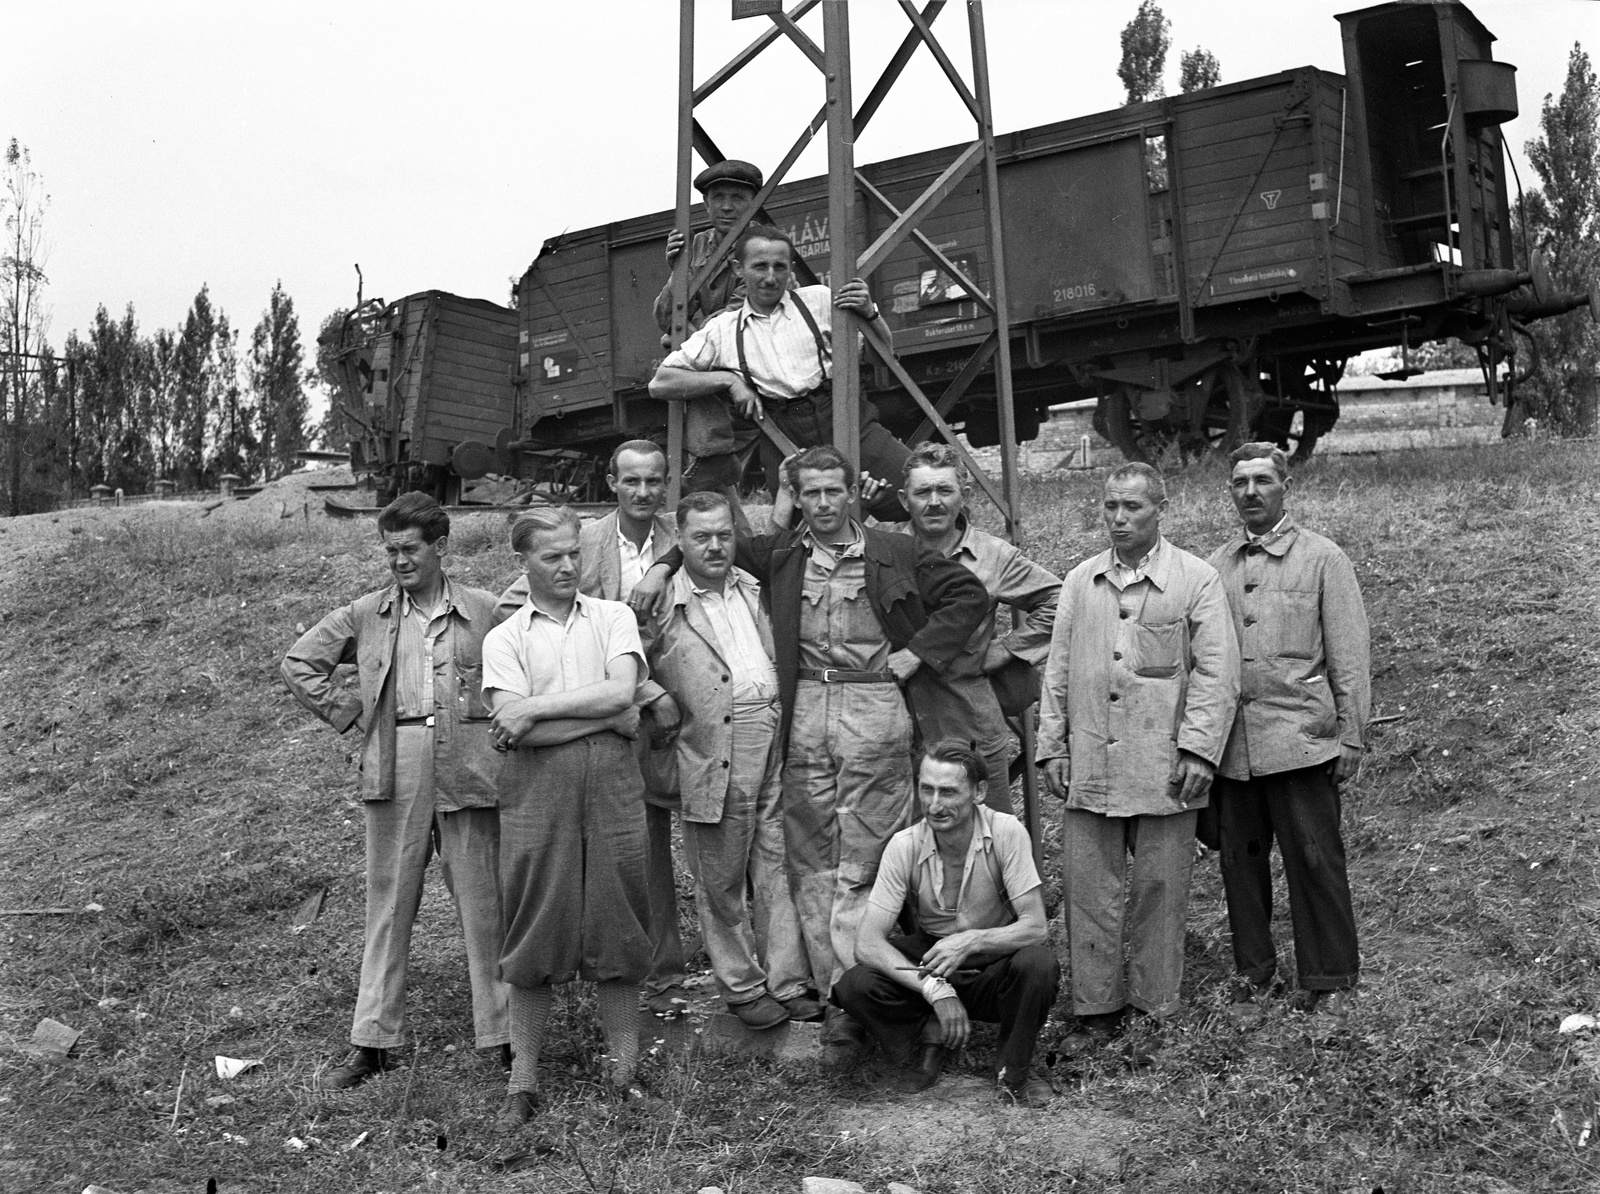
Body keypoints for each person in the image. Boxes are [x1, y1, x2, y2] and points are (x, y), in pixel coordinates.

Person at [629, 445, 989, 1067]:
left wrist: (918, 653)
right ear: (795, 497)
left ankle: (867, 995)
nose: (823, 504)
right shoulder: (782, 555)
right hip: (803, 718)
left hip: (875, 709)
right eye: (810, 493)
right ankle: (836, 996)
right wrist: (660, 568)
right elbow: (703, 542)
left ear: (852, 493)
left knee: (868, 858)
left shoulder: (893, 551)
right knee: (809, 859)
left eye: (834, 492)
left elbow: (968, 597)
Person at [281, 493, 510, 1089]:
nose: (400, 561)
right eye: (390, 551)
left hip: (470, 760)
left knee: (484, 901)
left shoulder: (486, 610)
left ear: (441, 547)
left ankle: (507, 1034)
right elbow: (300, 661)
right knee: (388, 902)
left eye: (410, 549)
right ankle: (373, 1042)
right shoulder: (366, 613)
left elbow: (524, 666)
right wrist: (354, 713)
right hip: (397, 758)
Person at [1036, 463, 1239, 1055]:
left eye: (1133, 508)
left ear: (1160, 509)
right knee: (1089, 890)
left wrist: (1200, 749)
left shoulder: (1196, 580)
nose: (1119, 519)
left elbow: (1217, 673)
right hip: (1091, 764)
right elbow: (1058, 671)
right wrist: (1053, 744)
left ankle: (1156, 1013)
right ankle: (1095, 1010)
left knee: (1161, 891)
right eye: (1110, 507)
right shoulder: (1080, 581)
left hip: (1164, 768)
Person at [497, 440, 692, 1020]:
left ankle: (664, 969)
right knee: (618, 850)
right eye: (631, 480)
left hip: (678, 703)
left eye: (654, 481)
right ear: (612, 482)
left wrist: (665, 563)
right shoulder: (584, 543)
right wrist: (631, 699)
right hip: (619, 707)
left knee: (651, 846)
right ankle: (630, 972)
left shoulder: (677, 537)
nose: (643, 492)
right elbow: (519, 611)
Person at [482, 506, 656, 1130]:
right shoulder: (505, 638)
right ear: (523, 561)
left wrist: (540, 711)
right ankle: (523, 1082)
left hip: (612, 791)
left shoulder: (613, 617)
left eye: (573, 554)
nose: (566, 566)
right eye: (551, 556)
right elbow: (513, 731)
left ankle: (625, 1075)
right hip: (536, 798)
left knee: (620, 922)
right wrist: (605, 719)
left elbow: (622, 693)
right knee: (533, 928)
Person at [639, 490, 823, 1029]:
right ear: (681, 540)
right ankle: (741, 987)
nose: (716, 546)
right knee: (720, 872)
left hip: (774, 733)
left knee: (775, 859)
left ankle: (787, 980)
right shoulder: (658, 600)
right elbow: (623, 663)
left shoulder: (753, 586)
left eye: (724, 534)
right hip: (713, 744)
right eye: (701, 537)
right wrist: (656, 696)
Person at [1207, 442, 1369, 1027]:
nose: (1250, 492)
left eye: (1261, 482)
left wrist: (1351, 734)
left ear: (1285, 486)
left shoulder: (1324, 559)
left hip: (1302, 740)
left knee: (1314, 860)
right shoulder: (1215, 566)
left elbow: (1349, 654)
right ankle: (1255, 974)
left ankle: (1329, 977)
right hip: (1233, 750)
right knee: (1240, 867)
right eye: (1239, 483)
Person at [834, 741, 1057, 1107]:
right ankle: (927, 1036)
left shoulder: (1006, 832)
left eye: (949, 792)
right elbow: (868, 943)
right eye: (927, 789)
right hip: (932, 959)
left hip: (992, 964)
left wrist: (971, 942)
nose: (935, 805)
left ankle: (1015, 1071)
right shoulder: (904, 845)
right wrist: (935, 989)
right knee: (856, 985)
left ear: (979, 792)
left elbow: (1035, 927)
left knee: (1037, 964)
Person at [648, 223, 912, 521]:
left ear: (790, 269)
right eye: (760, 266)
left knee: (918, 494)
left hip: (850, 423)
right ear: (738, 268)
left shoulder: (820, 301)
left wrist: (870, 314)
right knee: (798, 542)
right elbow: (661, 383)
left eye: (780, 267)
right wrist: (729, 381)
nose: (771, 277)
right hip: (785, 441)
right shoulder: (723, 330)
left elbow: (880, 356)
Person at [890, 442, 1061, 810]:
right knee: (905, 845)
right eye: (922, 492)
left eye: (944, 490)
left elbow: (1061, 602)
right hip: (894, 724)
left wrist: (1006, 649)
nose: (934, 502)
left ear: (964, 496)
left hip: (967, 722)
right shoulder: (884, 550)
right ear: (905, 500)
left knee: (984, 837)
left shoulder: (992, 555)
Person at [653, 159, 765, 339]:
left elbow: (733, 322)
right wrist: (678, 273)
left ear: (754, 203)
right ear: (706, 203)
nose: (727, 207)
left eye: (737, 197)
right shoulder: (699, 244)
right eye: (718, 197)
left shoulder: (765, 245)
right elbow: (666, 317)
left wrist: (689, 335)